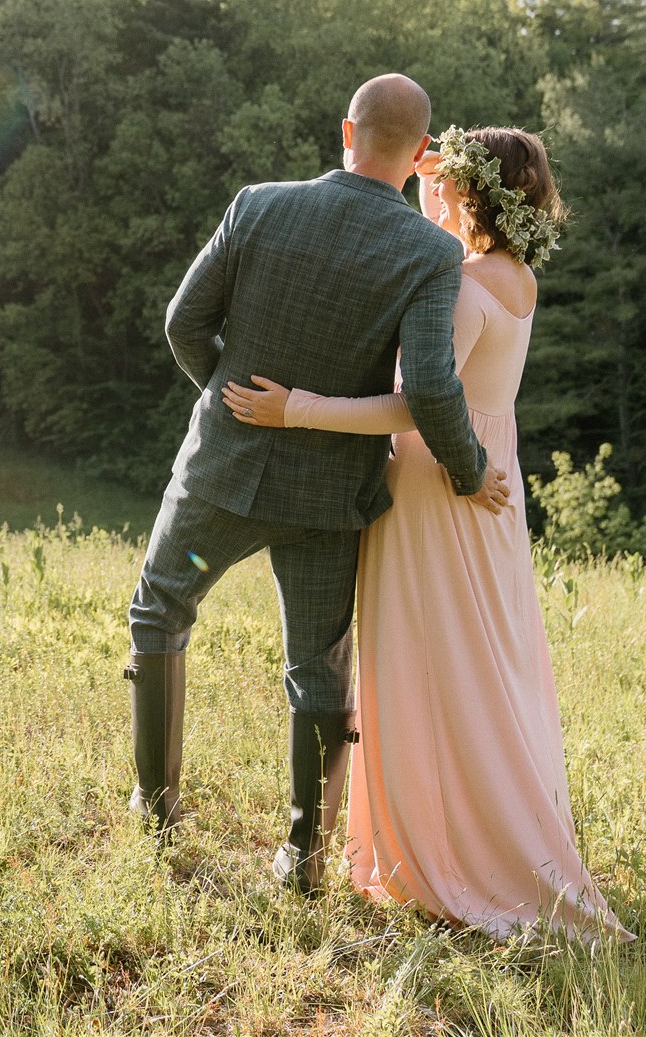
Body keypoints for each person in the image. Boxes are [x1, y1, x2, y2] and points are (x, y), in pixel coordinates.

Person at [221, 126, 632, 942]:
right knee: (479, 661)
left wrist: (296, 405)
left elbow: (417, 404)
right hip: (488, 481)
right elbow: (466, 354)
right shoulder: (517, 278)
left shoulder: (463, 283)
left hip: (438, 484)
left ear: (474, 193)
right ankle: (475, 825)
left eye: (445, 180)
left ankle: (448, 853)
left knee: (424, 658)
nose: (428, 191)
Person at [124, 73, 510, 895]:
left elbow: (182, 323)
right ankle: (301, 859)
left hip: (218, 477)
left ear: (346, 128)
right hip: (327, 501)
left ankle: (155, 812)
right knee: (317, 668)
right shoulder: (430, 253)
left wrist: (229, 403)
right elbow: (435, 391)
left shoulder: (257, 204)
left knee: (161, 606)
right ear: (418, 155)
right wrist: (469, 472)